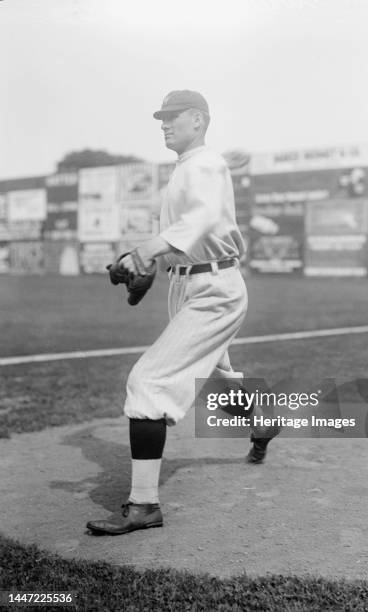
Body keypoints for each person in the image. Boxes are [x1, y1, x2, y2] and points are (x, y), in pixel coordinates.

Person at [86, 90, 279, 536]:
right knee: (210, 378)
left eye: (173, 116)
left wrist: (150, 249)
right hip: (191, 284)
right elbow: (197, 195)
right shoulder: (196, 165)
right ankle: (263, 422)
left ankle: (145, 505)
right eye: (162, 117)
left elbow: (205, 216)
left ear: (198, 119)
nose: (164, 123)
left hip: (214, 288)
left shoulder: (205, 164)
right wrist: (149, 261)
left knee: (149, 382)